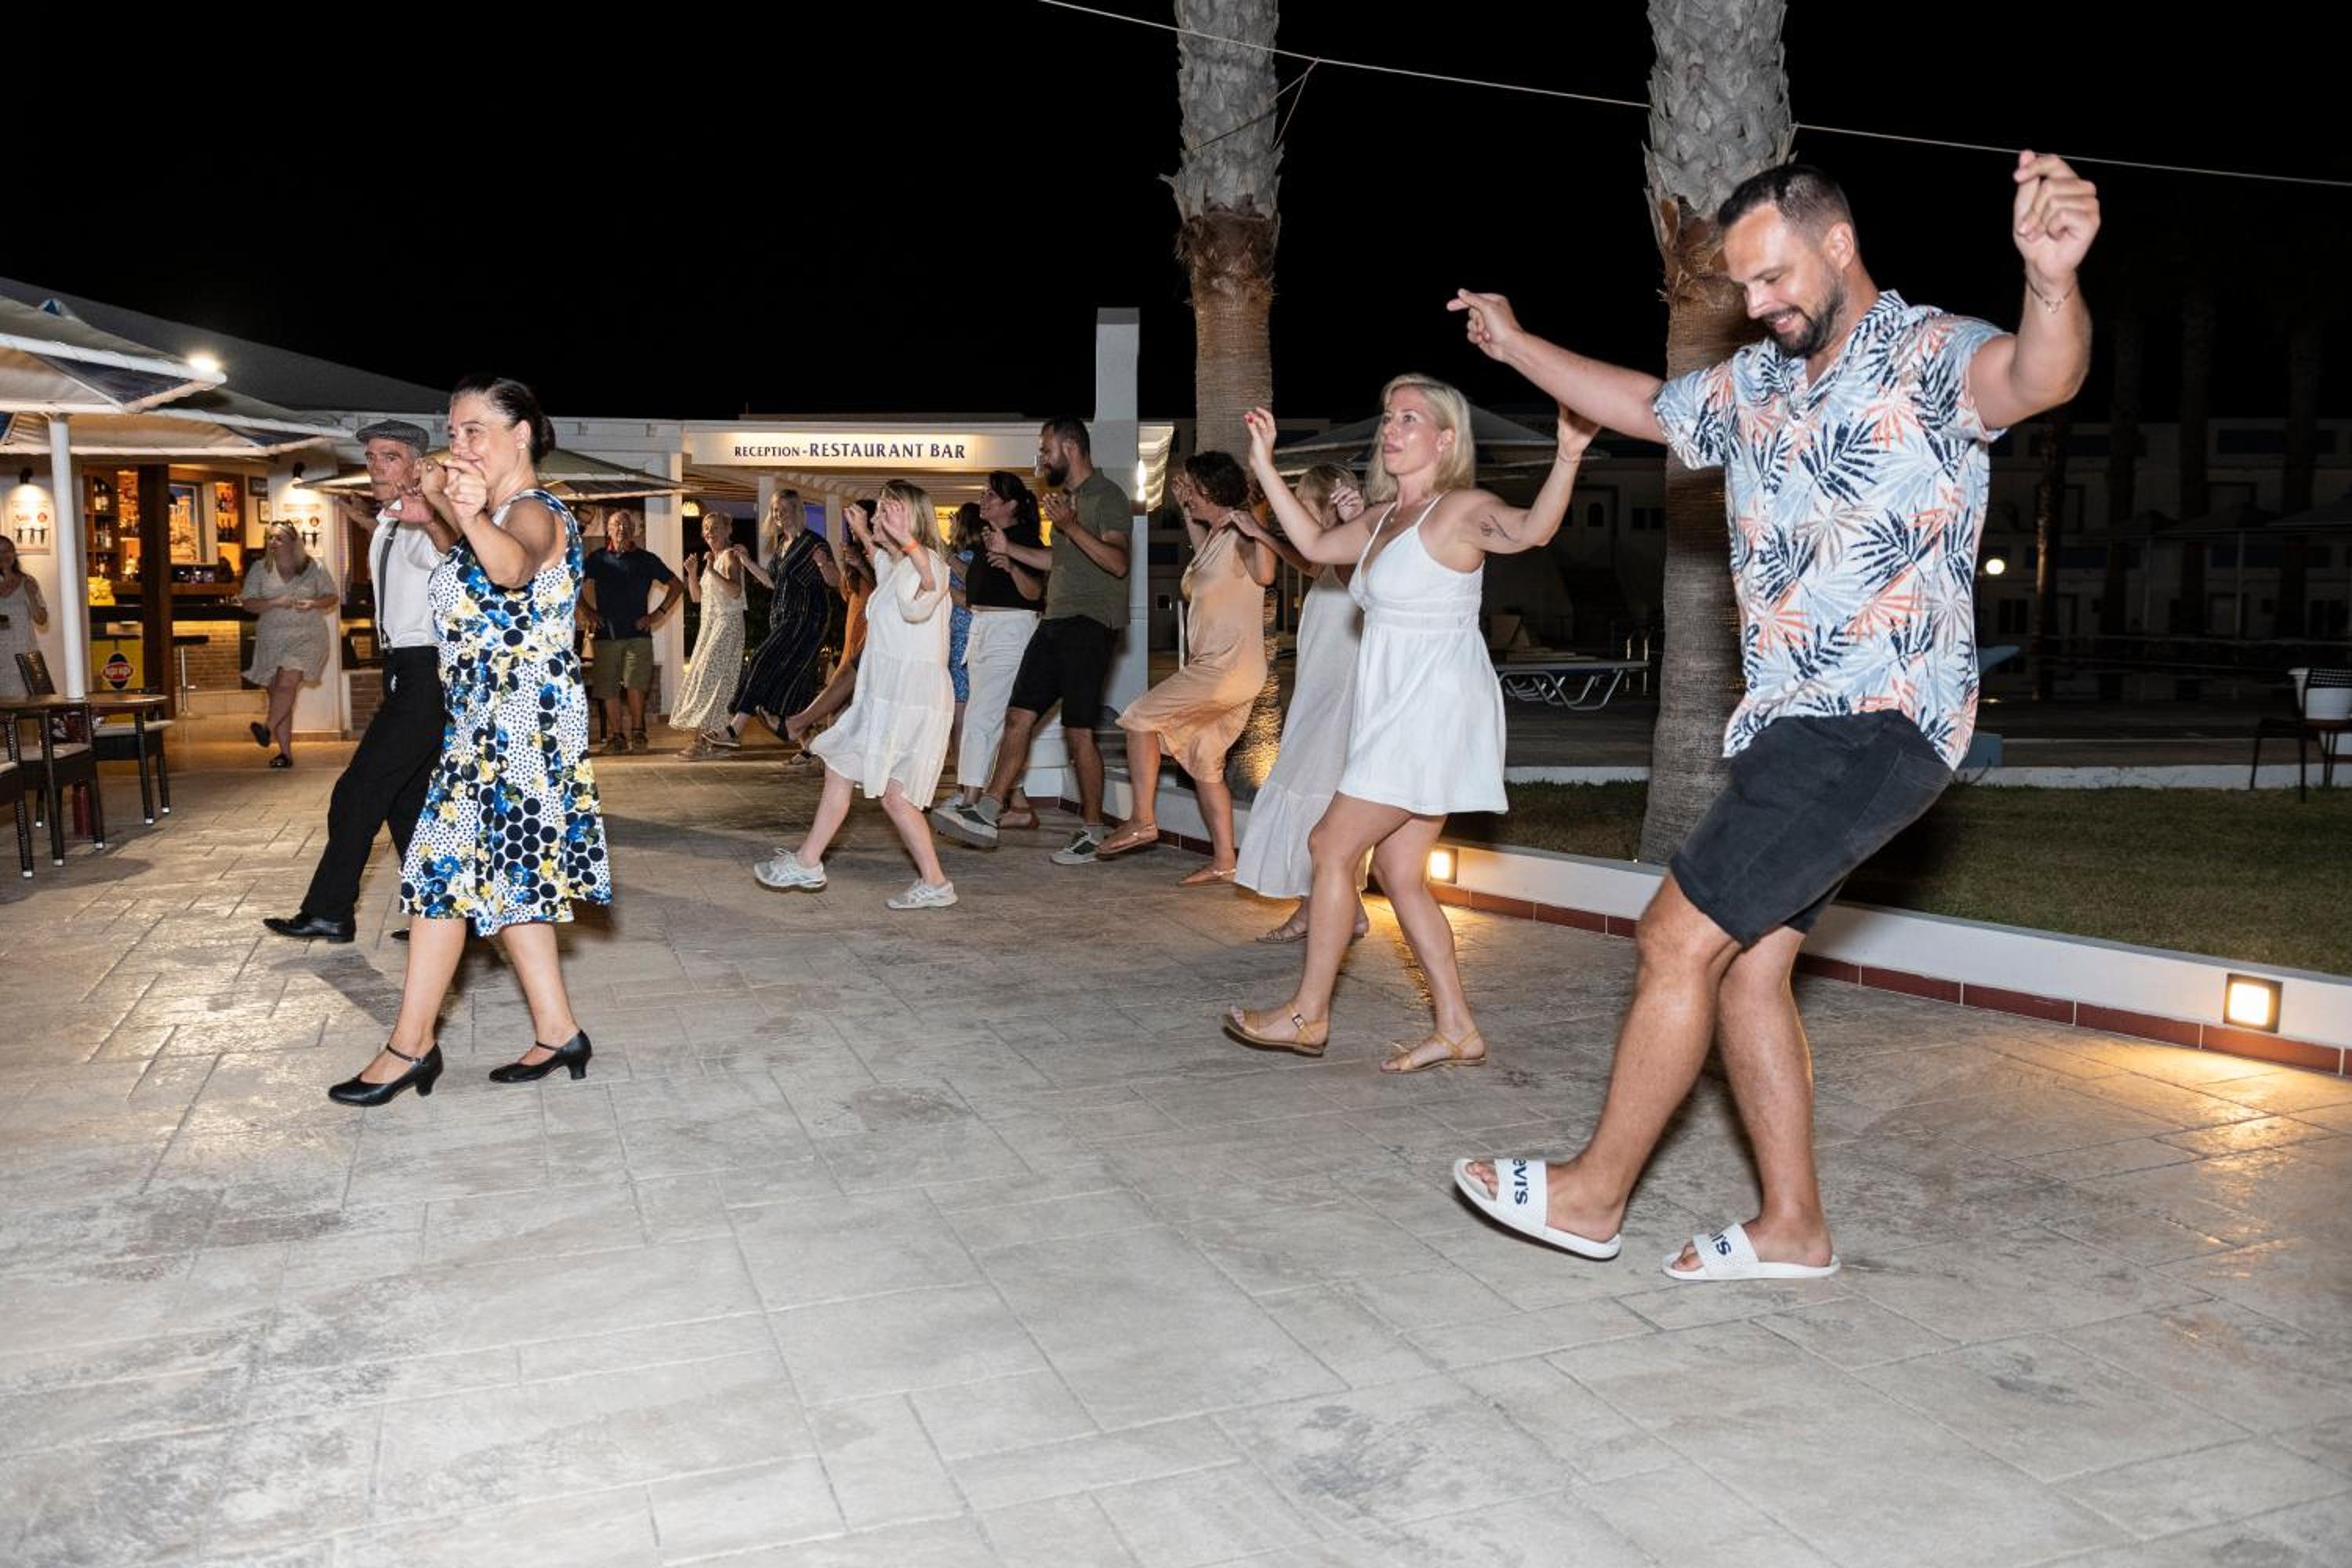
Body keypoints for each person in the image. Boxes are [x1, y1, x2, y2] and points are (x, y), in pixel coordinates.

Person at [1451, 154, 2100, 1279]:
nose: (1758, 303)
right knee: (1748, 966)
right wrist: (1515, 346)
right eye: (1744, 286)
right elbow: (1643, 406)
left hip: (1877, 717)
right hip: (1792, 727)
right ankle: (1792, 1226)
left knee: (1675, 938)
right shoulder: (1757, 382)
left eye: (1773, 277)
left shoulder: (1927, 353)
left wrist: (2051, 280)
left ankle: (1593, 1196)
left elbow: (2038, 375)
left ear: (1838, 244)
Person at [1224, 381, 1592, 1069]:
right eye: (1389, 417)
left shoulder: (1460, 510)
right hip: (1392, 707)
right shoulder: (1385, 517)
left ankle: (1308, 1014)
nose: (1391, 429)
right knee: (1398, 870)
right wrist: (1266, 466)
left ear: (1445, 440)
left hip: (1432, 710)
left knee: (1330, 843)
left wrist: (1567, 457)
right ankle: (1457, 1028)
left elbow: (1532, 530)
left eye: (1410, 419)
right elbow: (1313, 541)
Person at [328, 376, 610, 1106]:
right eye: (453, 431)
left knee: (437, 878)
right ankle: (559, 1031)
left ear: (522, 435)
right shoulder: (495, 514)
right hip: (483, 724)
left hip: (517, 729)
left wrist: (468, 509)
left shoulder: (536, 511)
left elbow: (512, 567)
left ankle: (410, 1047)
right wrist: (437, 515)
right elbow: (478, 566)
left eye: (474, 430)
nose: (459, 444)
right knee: (507, 888)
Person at [263, 419, 457, 944]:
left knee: (357, 793)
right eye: (371, 456)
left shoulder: (425, 520)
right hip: (405, 670)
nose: (375, 465)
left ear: (418, 466)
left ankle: (330, 910)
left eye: (389, 457)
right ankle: (443, 918)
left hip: (425, 673)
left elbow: (454, 554)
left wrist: (432, 518)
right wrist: (369, 520)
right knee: (406, 801)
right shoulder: (395, 520)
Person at [750, 479, 957, 910]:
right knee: (853, 771)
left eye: (887, 510)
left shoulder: (931, 562)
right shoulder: (897, 566)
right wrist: (864, 533)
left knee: (887, 791)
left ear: (910, 519)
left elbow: (927, 586)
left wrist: (908, 539)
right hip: (887, 695)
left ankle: (812, 862)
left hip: (911, 699)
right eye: (878, 509)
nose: (878, 515)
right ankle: (929, 882)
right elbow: (887, 570)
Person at [935, 417, 1131, 865]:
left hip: (1090, 623)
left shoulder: (1107, 496)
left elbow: (1118, 562)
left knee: (1078, 732)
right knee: (1017, 715)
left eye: (1046, 449)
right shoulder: (1066, 503)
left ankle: (1093, 830)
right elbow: (1055, 560)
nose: (1041, 459)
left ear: (1070, 447)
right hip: (1053, 621)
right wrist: (1009, 550)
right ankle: (988, 809)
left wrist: (1071, 525)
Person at [1094, 452, 1276, 883]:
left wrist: (1260, 524)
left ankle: (1142, 819)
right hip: (1227, 668)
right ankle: (1225, 861)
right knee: (1206, 761)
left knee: (1139, 718)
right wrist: (1187, 513)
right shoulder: (1217, 536)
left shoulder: (1242, 534)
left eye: (1192, 489)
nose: (1187, 495)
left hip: (1226, 667)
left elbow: (1266, 573)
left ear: (1211, 490)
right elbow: (1205, 565)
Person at [1232, 463, 1372, 944]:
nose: (1299, 514)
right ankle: (1343, 911)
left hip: (1337, 693)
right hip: (1320, 686)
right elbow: (1311, 563)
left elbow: (1336, 565)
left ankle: (1318, 912)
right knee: (1317, 789)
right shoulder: (1334, 552)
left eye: (1305, 505)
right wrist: (1262, 535)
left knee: (1315, 788)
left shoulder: (1356, 550)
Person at [931, 470, 1045, 832]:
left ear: (1011, 505)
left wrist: (1010, 563)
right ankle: (1011, 803)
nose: (983, 500)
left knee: (981, 717)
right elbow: (976, 590)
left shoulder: (1023, 540)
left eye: (991, 495)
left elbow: (1033, 593)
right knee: (992, 718)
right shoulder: (987, 540)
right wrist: (945, 558)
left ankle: (971, 801)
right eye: (983, 494)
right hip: (983, 628)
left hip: (1009, 631)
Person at [699, 488, 837, 752]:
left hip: (807, 619)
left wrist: (822, 564)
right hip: (784, 619)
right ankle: (810, 748)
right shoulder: (782, 545)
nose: (779, 515)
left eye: (784, 509)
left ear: (797, 510)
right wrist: (746, 561)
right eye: (775, 510)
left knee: (761, 660)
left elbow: (833, 580)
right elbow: (771, 581)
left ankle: (734, 730)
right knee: (793, 681)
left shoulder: (814, 543)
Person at [238, 524, 340, 768]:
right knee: (278, 694)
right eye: (270, 538)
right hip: (272, 638)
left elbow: (332, 596)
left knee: (287, 683)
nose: (273, 542)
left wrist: (313, 603)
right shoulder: (260, 568)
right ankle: (285, 754)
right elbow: (248, 603)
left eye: (279, 538)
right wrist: (274, 602)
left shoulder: (313, 567)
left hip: (307, 636)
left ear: (293, 542)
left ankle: (267, 728)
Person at [580, 509, 681, 754]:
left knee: (636, 684)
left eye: (626, 524)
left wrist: (657, 615)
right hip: (606, 635)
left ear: (633, 531)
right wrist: (588, 611)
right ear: (608, 530)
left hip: (638, 635)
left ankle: (638, 734)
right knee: (608, 687)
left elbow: (676, 585)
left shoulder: (647, 559)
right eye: (616, 524)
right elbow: (571, 583)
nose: (621, 529)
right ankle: (617, 738)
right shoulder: (598, 558)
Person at [672, 511, 772, 753]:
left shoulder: (729, 556)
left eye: (715, 527)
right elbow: (697, 598)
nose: (709, 533)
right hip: (710, 626)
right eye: (706, 529)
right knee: (710, 679)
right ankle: (714, 739)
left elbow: (735, 591)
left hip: (727, 624)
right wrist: (693, 573)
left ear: (728, 530)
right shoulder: (714, 559)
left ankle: (702, 741)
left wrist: (711, 571)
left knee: (709, 678)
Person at [0, 533, 50, 701]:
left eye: (7, 550)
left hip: (22, 657)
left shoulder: (27, 581)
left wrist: (31, 595)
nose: (3, 556)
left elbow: (41, 620)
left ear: (14, 553)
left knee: (25, 707)